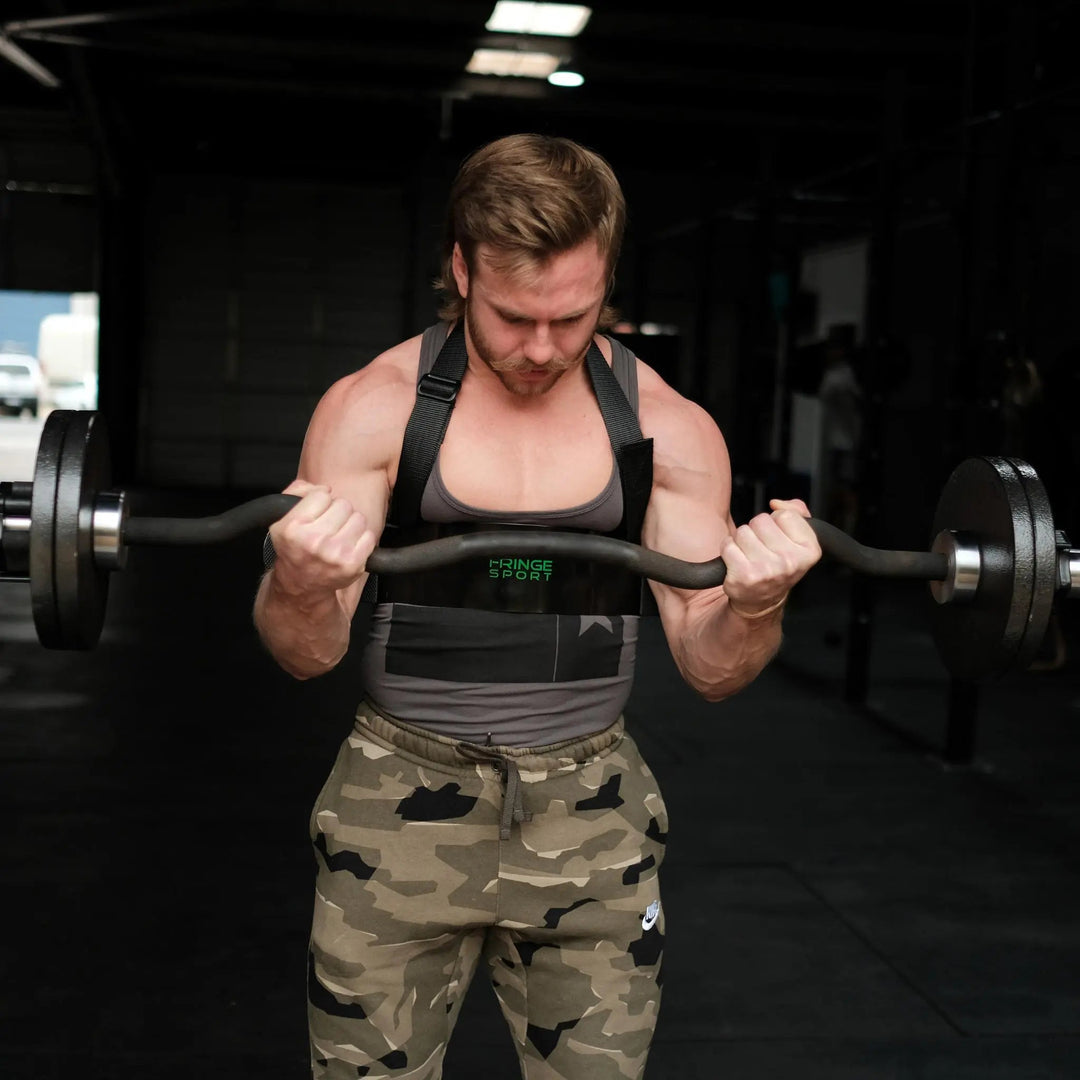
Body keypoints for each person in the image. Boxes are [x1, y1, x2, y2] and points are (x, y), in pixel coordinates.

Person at [253, 133, 822, 1080]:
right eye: (515, 317)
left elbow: (712, 669)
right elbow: (304, 653)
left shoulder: (667, 429)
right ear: (461, 270)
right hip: (396, 802)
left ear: (607, 281)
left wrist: (756, 605)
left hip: (592, 808)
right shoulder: (374, 409)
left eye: (574, 316)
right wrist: (302, 582)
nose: (543, 348)